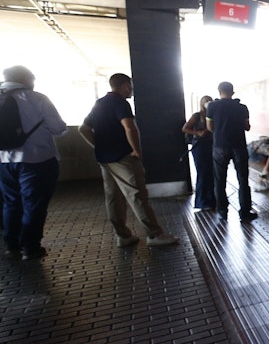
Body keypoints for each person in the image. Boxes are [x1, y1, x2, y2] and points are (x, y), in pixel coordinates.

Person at [79, 73, 179, 247]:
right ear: (125, 85)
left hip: (105, 158)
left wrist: (99, 145)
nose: (131, 89)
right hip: (122, 157)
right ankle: (154, 235)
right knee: (137, 194)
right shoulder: (120, 103)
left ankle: (123, 235)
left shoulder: (99, 103)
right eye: (130, 86)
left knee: (113, 197)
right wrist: (136, 151)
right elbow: (129, 128)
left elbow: (83, 128)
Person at [0, 65, 66, 260]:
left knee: (11, 203)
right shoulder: (37, 98)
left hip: (4, 161)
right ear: (27, 79)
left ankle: (12, 245)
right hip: (37, 160)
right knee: (34, 205)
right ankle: (31, 247)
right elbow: (57, 127)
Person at [206, 81, 256, 222]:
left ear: (219, 91)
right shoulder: (242, 107)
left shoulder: (212, 106)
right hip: (239, 146)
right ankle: (245, 212)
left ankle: (222, 211)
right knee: (243, 179)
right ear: (233, 92)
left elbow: (210, 127)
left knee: (219, 180)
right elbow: (247, 127)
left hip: (220, 147)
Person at [181, 95, 215, 210]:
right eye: (206, 102)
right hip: (199, 147)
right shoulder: (197, 116)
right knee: (203, 172)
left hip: (211, 146)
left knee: (211, 173)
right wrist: (198, 133)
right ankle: (203, 201)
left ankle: (211, 200)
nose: (208, 103)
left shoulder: (213, 115)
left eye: (209, 101)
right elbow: (185, 128)